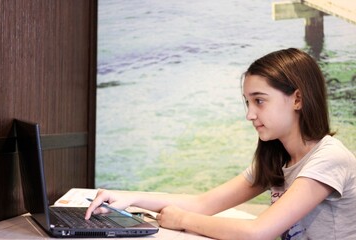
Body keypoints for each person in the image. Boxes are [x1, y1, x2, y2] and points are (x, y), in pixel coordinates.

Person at [85, 48, 356, 240]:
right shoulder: (277, 157)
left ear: (297, 99)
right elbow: (204, 203)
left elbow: (259, 232)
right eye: (247, 102)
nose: (250, 114)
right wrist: (130, 198)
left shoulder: (329, 158)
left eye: (259, 101)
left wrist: (181, 220)